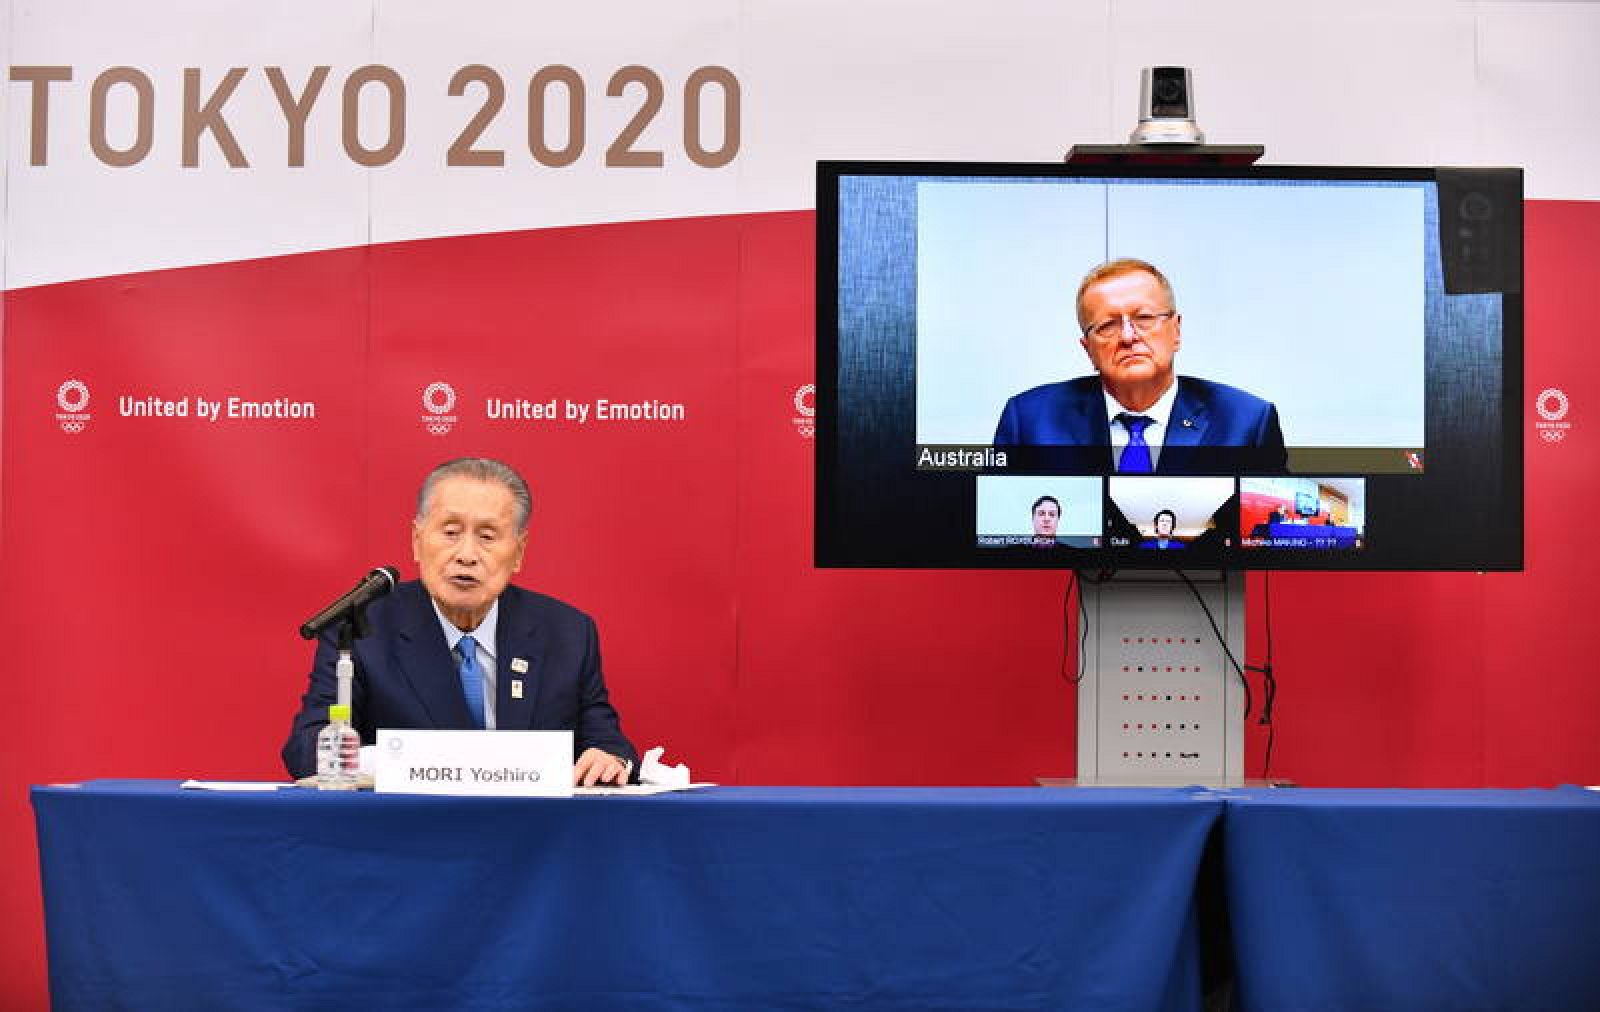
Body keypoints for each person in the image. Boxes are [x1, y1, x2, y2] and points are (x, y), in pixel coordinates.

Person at [282, 457, 637, 785]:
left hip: (530, 840)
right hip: (410, 840)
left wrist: (610, 759)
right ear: (417, 542)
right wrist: (388, 763)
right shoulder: (363, 629)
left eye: (487, 536)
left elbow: (607, 743)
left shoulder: (567, 633)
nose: (466, 555)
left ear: (519, 552)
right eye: (450, 532)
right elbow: (307, 750)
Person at [993, 258, 1288, 474]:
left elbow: (1269, 550)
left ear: (1177, 331)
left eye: (1144, 318)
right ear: (1088, 350)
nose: (1128, 336)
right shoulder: (1029, 421)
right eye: (1108, 325)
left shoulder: (1247, 421)